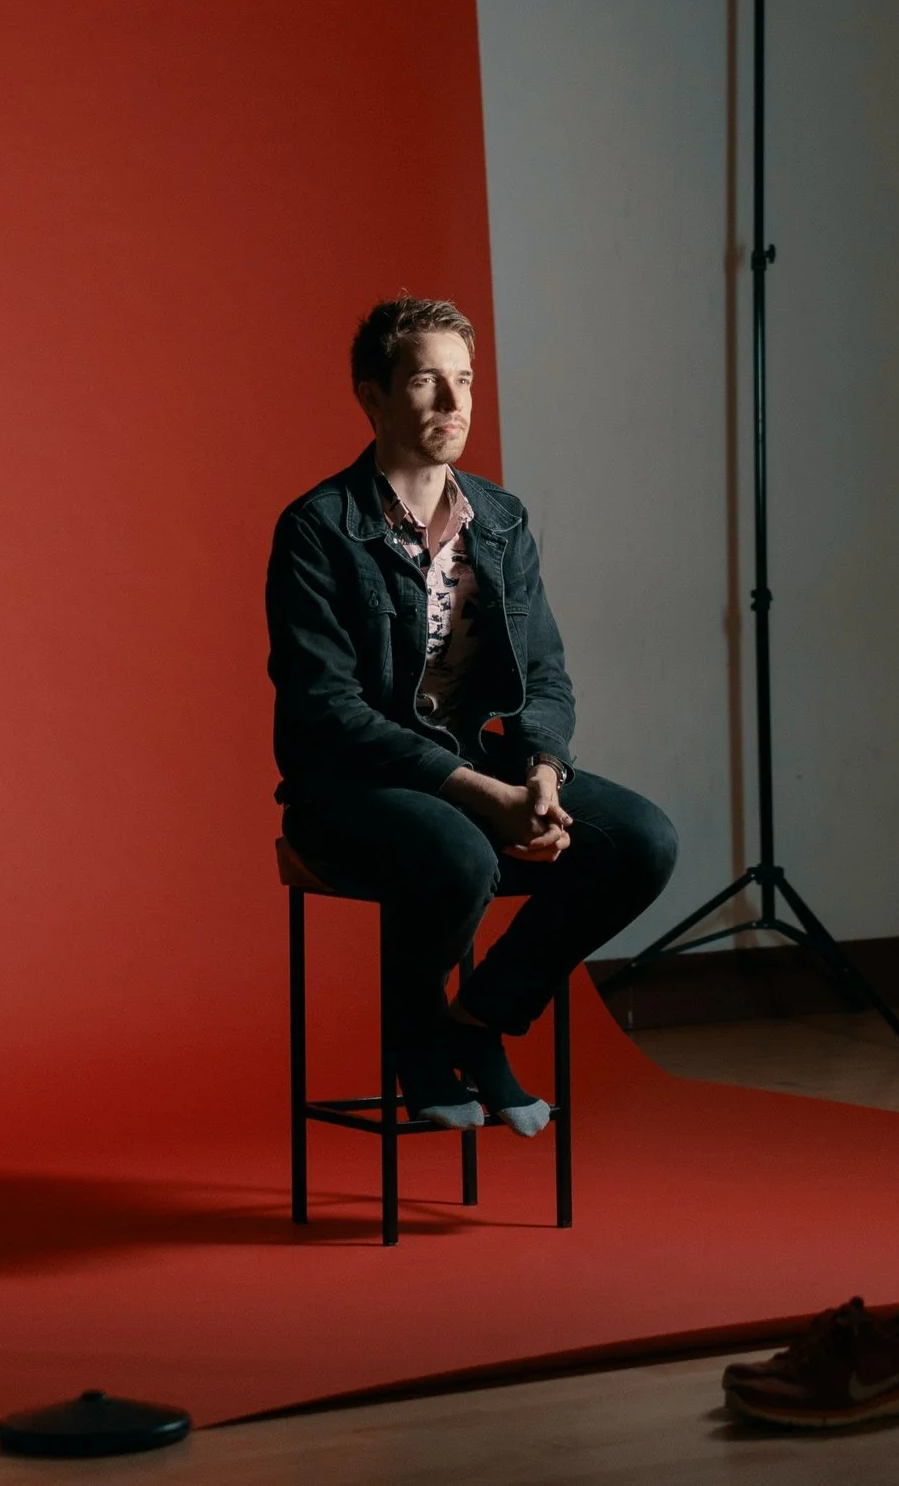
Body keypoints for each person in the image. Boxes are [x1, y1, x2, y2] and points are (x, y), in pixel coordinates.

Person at [266, 295, 678, 1136]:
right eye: (427, 382)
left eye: (465, 382)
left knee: (641, 840)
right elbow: (327, 711)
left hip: (478, 764)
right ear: (372, 395)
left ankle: (480, 1022)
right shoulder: (317, 530)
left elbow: (546, 675)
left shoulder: (500, 518)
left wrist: (539, 773)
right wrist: (480, 796)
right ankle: (415, 1040)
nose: (454, 407)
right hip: (353, 787)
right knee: (458, 852)